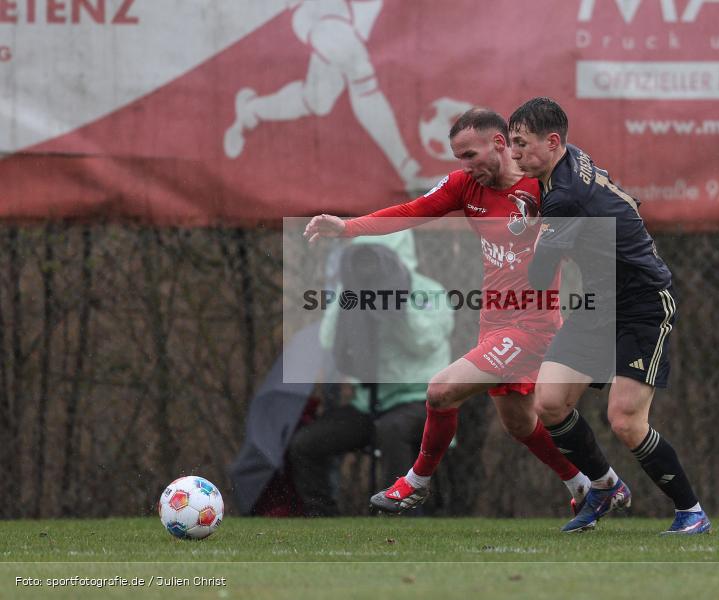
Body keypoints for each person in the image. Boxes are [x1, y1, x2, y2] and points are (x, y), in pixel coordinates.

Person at [304, 108, 599, 516]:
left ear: (499, 144)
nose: (465, 166)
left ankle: (416, 482)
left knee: (441, 390)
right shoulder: (465, 187)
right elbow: (410, 211)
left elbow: (594, 222)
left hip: (533, 322)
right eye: (459, 157)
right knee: (519, 423)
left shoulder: (544, 185)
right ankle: (593, 485)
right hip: (494, 322)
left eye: (470, 155)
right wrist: (349, 227)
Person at [507, 97, 711, 535]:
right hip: (599, 302)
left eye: (521, 144)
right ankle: (605, 486)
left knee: (625, 420)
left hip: (642, 304)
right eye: (511, 144)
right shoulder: (567, 163)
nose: (515, 153)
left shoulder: (565, 196)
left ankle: (690, 511)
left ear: (553, 141)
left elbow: (541, 277)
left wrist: (528, 229)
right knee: (549, 403)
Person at [286, 231, 453, 516]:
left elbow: (426, 342)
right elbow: (328, 340)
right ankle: (323, 520)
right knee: (306, 444)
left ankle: (401, 515)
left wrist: (397, 306)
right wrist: (351, 299)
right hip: (370, 403)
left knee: (391, 430)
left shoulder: (429, 291)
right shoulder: (351, 292)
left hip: (418, 400)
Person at [223, 0, 439, 194]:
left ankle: (250, 109)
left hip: (357, 13)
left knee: (317, 101)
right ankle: (409, 172)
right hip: (320, 9)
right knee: (359, 69)